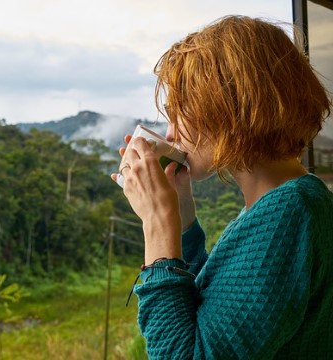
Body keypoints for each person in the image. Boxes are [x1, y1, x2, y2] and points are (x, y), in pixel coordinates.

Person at [111, 15, 333, 358]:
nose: (170, 134)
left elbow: (186, 353)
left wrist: (157, 225)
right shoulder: (281, 203)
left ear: (226, 107)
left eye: (177, 113)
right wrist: (182, 217)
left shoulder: (291, 212)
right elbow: (213, 310)